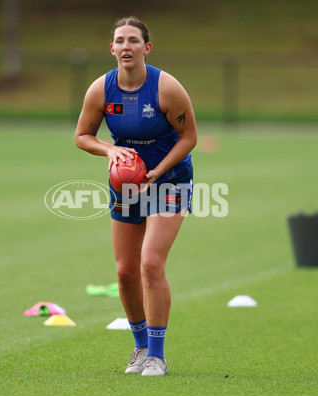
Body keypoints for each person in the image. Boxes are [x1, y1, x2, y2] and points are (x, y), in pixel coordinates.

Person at [74, 16, 197, 377]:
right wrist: (110, 151)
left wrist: (158, 171)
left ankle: (157, 356)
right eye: (120, 40)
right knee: (125, 273)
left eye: (133, 40)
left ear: (147, 47)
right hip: (126, 184)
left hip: (169, 180)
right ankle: (140, 348)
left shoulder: (166, 88)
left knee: (150, 264)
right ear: (112, 49)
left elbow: (189, 137)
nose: (126, 46)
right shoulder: (101, 89)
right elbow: (83, 136)